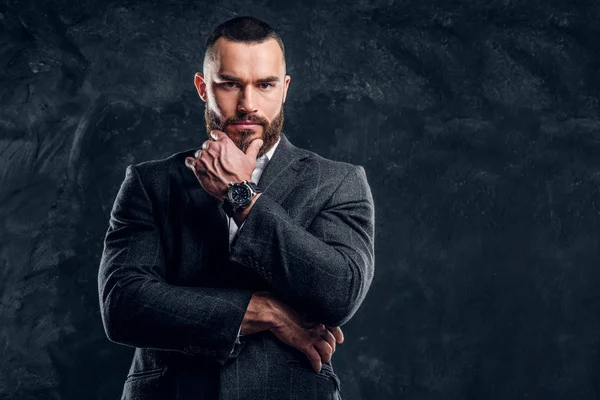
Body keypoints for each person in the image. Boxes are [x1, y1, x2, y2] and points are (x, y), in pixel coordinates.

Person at [98, 16, 375, 400]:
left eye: (265, 85)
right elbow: (123, 305)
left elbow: (339, 292)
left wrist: (239, 195)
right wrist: (263, 312)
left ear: (284, 89)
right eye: (229, 84)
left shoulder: (337, 181)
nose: (247, 104)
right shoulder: (150, 182)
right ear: (202, 87)